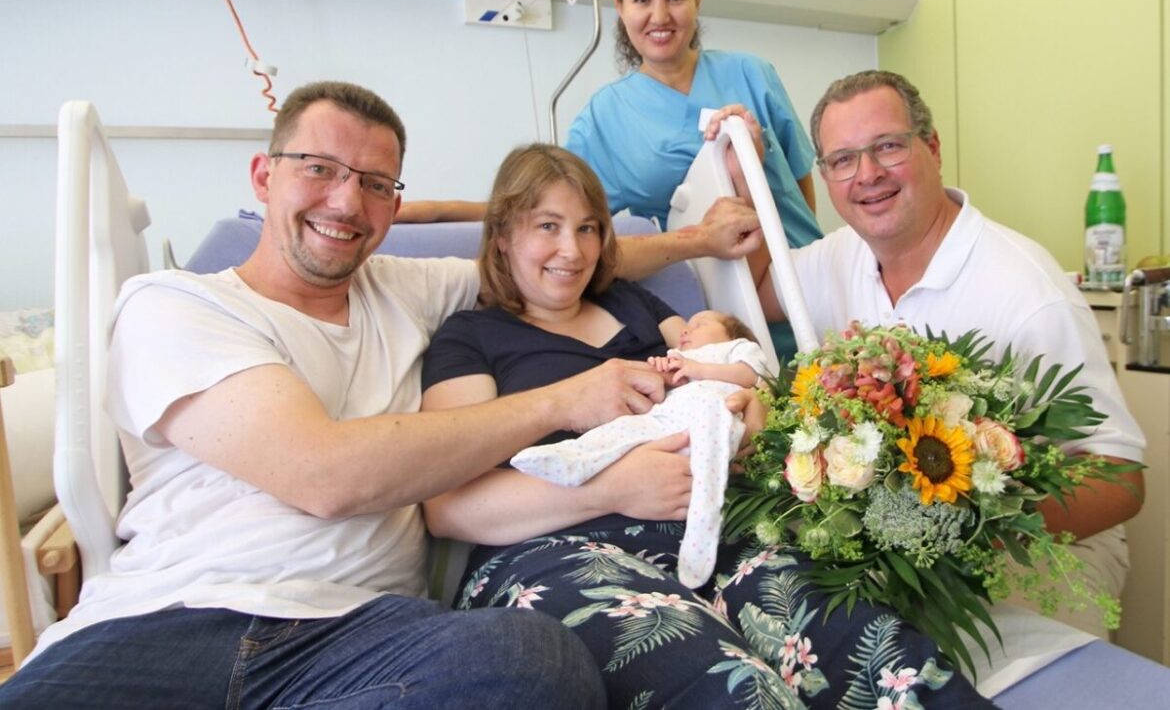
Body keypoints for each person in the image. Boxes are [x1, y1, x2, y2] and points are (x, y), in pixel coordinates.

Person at [0, 80, 764, 708]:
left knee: (534, 661)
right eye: (319, 169)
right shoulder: (173, 302)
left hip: (358, 641)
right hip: (163, 625)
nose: (345, 201)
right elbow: (325, 476)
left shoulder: (408, 289)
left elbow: (558, 258)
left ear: (394, 209)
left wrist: (696, 242)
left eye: (373, 184)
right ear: (264, 178)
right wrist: (566, 401)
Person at [422, 143, 994, 709]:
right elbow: (448, 506)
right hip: (556, 552)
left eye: (589, 228)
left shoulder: (629, 302)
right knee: (726, 687)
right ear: (501, 234)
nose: (572, 251)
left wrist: (754, 408)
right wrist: (613, 488)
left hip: (718, 527)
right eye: (547, 225)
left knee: (874, 653)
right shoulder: (469, 339)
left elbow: (724, 361)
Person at [777, 69, 1146, 636]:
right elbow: (754, 288)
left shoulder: (1027, 293)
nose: (867, 174)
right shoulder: (842, 254)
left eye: (888, 147)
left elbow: (1121, 479)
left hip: (1044, 551)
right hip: (908, 550)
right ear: (825, 176)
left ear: (932, 148)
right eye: (843, 159)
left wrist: (975, 525)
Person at [564, 0, 823, 360]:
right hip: (717, 315)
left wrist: (791, 256)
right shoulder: (602, 120)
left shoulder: (753, 74)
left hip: (808, 283)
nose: (660, 15)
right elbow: (578, 233)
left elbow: (800, 183)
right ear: (620, 7)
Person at [511, 309, 767, 588]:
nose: (685, 330)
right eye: (687, 326)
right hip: (668, 419)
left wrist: (698, 368)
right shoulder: (680, 358)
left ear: (732, 334)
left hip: (714, 416)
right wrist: (664, 372)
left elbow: (751, 375)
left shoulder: (736, 349)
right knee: (621, 431)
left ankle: (702, 532)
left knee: (708, 473)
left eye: (699, 324)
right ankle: (574, 458)